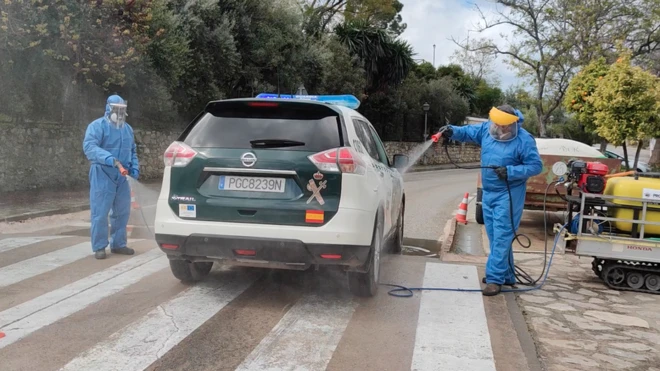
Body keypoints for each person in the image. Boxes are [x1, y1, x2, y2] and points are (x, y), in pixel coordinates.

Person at [440, 104, 542, 296]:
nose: (501, 129)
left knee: (502, 235)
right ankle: (508, 275)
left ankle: (495, 279)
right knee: (495, 235)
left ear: (512, 124)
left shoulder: (523, 140)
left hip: (509, 193)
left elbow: (536, 166)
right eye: (498, 125)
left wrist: (511, 172)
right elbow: (468, 132)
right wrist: (452, 131)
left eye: (505, 126)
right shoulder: (487, 130)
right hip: (489, 192)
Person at [83, 95, 140, 259]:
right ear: (108, 108)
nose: (119, 113)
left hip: (122, 175)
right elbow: (90, 147)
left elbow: (132, 151)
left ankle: (119, 244)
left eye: (122, 110)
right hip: (102, 173)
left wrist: (134, 168)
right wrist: (109, 159)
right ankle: (99, 246)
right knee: (100, 212)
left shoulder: (127, 129)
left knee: (122, 212)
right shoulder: (97, 126)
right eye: (116, 109)